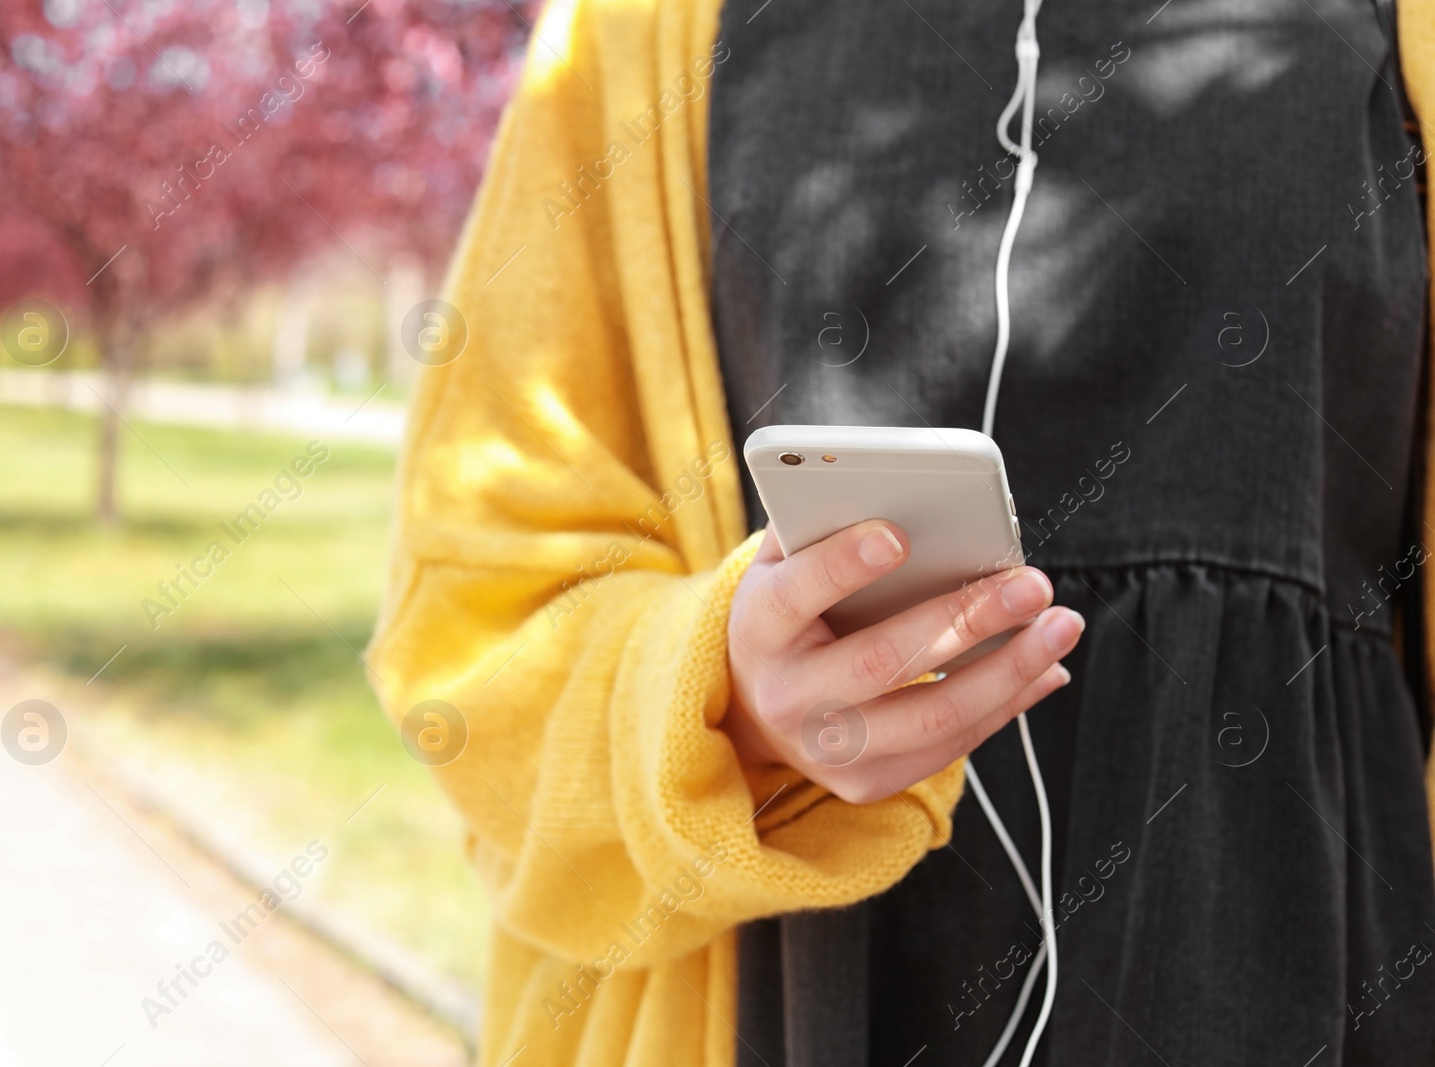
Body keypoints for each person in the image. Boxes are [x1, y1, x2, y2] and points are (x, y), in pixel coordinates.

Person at [368, 0, 1435, 1063]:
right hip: (785, 995)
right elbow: (474, 612)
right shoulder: (637, 27)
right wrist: (723, 697)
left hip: (1287, 969)